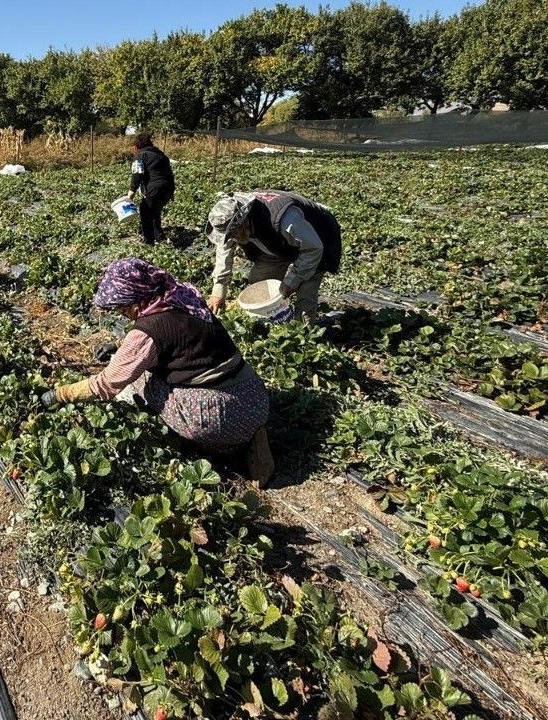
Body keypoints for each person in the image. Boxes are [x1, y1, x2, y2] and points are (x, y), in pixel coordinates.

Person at [41, 258, 274, 486]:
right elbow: (177, 336)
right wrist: (120, 345)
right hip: (255, 396)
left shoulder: (146, 333)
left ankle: (228, 446)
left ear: (135, 300)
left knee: (142, 380)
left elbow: (105, 384)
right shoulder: (183, 297)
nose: (122, 314)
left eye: (122, 307)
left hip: (220, 416)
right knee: (155, 368)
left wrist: (60, 395)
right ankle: (251, 433)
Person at [204, 189, 342, 323]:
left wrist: (292, 280)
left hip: (317, 239)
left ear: (243, 224)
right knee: (259, 282)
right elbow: (224, 249)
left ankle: (302, 330)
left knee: (305, 292)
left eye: (233, 234)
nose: (231, 238)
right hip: (278, 243)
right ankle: (270, 319)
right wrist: (218, 289)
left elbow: (313, 248)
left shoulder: (285, 219)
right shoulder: (232, 222)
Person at [128, 133, 175, 245]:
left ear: (137, 146)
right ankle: (159, 237)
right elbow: (169, 172)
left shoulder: (141, 155)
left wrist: (132, 191)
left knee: (145, 210)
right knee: (155, 210)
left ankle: (148, 240)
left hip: (155, 188)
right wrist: (172, 192)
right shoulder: (160, 154)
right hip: (168, 187)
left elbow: (137, 173)